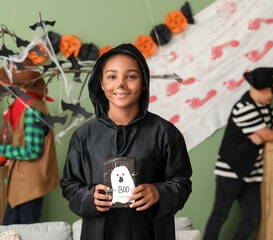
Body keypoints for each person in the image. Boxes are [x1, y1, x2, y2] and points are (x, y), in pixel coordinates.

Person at [60, 43, 192, 240]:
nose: (120, 84)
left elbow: (182, 183)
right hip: (98, 234)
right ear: (102, 83)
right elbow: (69, 185)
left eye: (131, 76)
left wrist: (158, 192)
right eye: (112, 77)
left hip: (150, 233)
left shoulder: (165, 132)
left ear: (144, 82)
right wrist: (90, 197)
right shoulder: (83, 136)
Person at [203, 67, 273, 240]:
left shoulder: (266, 107)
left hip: (252, 171)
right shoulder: (244, 107)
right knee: (220, 214)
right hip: (231, 171)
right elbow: (269, 134)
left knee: (253, 215)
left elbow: (270, 133)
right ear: (261, 88)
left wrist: (265, 135)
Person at [0, 63, 59, 225]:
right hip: (22, 184)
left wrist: (3, 150)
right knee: (10, 230)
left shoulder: (32, 111)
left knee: (24, 229)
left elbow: (32, 151)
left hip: (28, 186)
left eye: (7, 85)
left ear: (19, 87)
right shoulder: (28, 107)